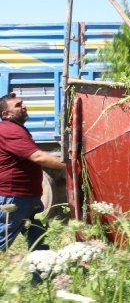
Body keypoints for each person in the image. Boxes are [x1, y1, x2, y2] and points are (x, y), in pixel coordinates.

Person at [0, 93, 66, 252]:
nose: (23, 107)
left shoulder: (17, 129)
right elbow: (38, 156)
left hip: (29, 198)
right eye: (18, 105)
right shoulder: (9, 130)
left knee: (39, 241)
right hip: (14, 198)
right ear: (6, 115)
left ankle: (42, 276)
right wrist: (69, 165)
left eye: (22, 103)